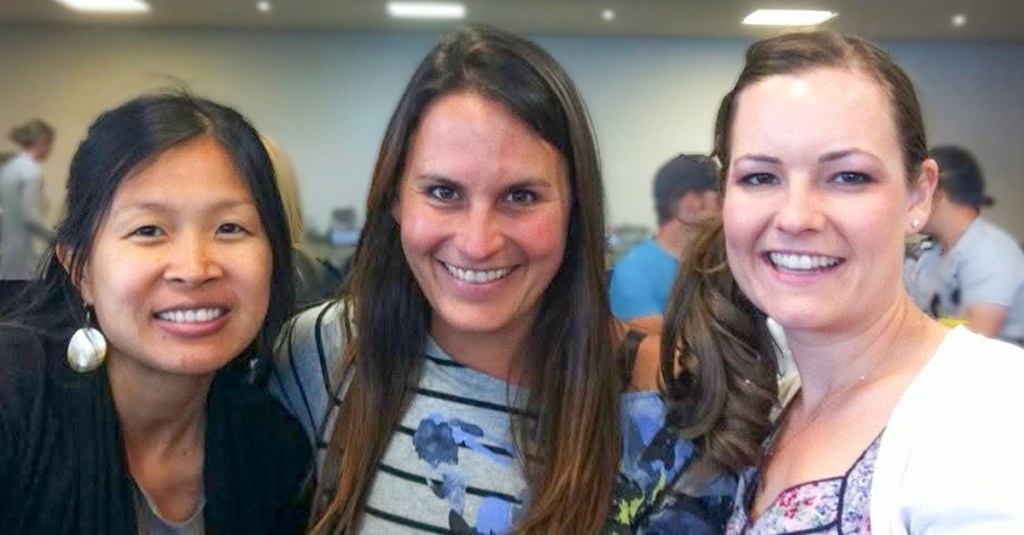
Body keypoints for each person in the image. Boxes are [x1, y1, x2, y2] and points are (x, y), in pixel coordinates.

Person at [271, 25, 733, 535]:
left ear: (575, 211)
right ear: (395, 199)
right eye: (444, 192)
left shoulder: (660, 403)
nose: (477, 242)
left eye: (520, 196)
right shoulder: (323, 354)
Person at [662, 31, 1024, 534]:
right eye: (761, 178)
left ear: (919, 196)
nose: (795, 217)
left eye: (848, 177)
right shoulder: (775, 407)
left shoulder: (988, 409)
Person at [0, 93, 311, 533]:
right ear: (80, 270)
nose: (194, 269)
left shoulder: (273, 447)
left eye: (230, 228)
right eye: (149, 230)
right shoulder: (14, 399)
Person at [905, 145, 1024, 344]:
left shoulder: (992, 253)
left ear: (938, 193)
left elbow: (974, 345)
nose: (911, 205)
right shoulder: (931, 255)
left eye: (919, 194)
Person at [609, 154, 719, 335]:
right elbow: (658, 352)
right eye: (720, 197)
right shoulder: (633, 271)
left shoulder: (721, 260)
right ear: (690, 206)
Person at [0, 118, 55, 280]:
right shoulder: (31, 171)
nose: (50, 150)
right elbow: (29, 217)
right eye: (49, 144)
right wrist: (57, 238)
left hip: (7, 250)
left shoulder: (10, 168)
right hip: (26, 252)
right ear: (42, 142)